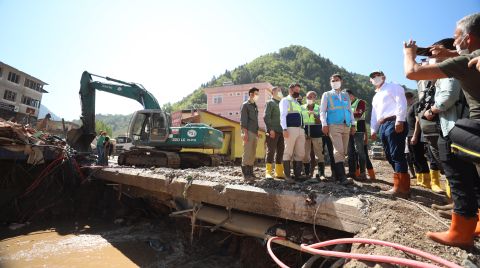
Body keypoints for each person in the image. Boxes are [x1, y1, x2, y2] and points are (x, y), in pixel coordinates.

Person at [403, 13, 480, 248]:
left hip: (467, 127)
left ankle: (462, 229)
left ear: (468, 38)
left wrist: (409, 53)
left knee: (456, 141)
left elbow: (412, 71)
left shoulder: (462, 63)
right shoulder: (469, 57)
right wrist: (448, 53)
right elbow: (465, 56)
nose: (454, 41)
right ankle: (467, 223)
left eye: (456, 37)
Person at [369, 70, 409, 197]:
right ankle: (401, 182)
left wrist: (400, 120)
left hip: (394, 122)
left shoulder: (393, 87)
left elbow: (401, 102)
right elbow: (374, 115)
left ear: (383, 77)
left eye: (377, 76)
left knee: (397, 153)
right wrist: (373, 129)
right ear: (371, 81)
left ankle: (401, 188)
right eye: (372, 77)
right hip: (383, 125)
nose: (375, 78)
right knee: (389, 154)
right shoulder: (375, 97)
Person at [320, 74, 355, 185]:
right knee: (338, 150)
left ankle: (337, 175)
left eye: (337, 80)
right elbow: (322, 111)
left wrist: (353, 124)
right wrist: (324, 124)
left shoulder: (345, 95)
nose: (335, 82)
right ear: (330, 83)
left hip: (346, 125)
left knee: (344, 151)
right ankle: (342, 177)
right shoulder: (327, 94)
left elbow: (350, 110)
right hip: (333, 125)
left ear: (341, 81)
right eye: (333, 81)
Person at [280, 83, 306, 183]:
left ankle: (297, 175)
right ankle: (287, 176)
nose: (298, 92)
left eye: (299, 90)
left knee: (300, 153)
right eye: (296, 90)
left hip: (300, 129)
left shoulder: (298, 103)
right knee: (288, 152)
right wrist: (284, 129)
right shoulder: (285, 100)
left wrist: (303, 130)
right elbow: (282, 115)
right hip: (290, 129)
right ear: (290, 90)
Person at [301, 91, 325, 180]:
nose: (310, 99)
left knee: (319, 154)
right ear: (305, 98)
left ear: (315, 98)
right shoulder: (301, 108)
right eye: (308, 97)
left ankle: (321, 174)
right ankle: (307, 174)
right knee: (305, 155)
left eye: (312, 97)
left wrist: (314, 115)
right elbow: (300, 121)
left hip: (317, 133)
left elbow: (321, 122)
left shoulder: (319, 108)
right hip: (305, 133)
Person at [346, 89, 368, 180]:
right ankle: (352, 172)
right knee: (350, 152)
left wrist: (345, 114)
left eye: (347, 96)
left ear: (351, 95)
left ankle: (363, 173)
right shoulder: (346, 104)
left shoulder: (360, 102)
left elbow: (359, 114)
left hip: (358, 130)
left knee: (360, 151)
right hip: (348, 130)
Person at [264, 86, 285, 179]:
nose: (280, 92)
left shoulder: (282, 103)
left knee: (280, 151)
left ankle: (279, 172)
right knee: (271, 151)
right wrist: (270, 129)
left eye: (281, 91)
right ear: (273, 93)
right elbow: (266, 117)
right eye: (278, 91)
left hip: (281, 131)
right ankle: (268, 172)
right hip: (273, 130)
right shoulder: (270, 102)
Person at [240, 87, 260, 181]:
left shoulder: (255, 105)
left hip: (254, 132)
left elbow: (255, 121)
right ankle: (246, 175)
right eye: (256, 94)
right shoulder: (245, 105)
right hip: (248, 131)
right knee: (247, 152)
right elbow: (243, 120)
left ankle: (251, 172)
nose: (257, 96)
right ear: (251, 94)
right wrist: (245, 133)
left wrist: (257, 132)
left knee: (252, 153)